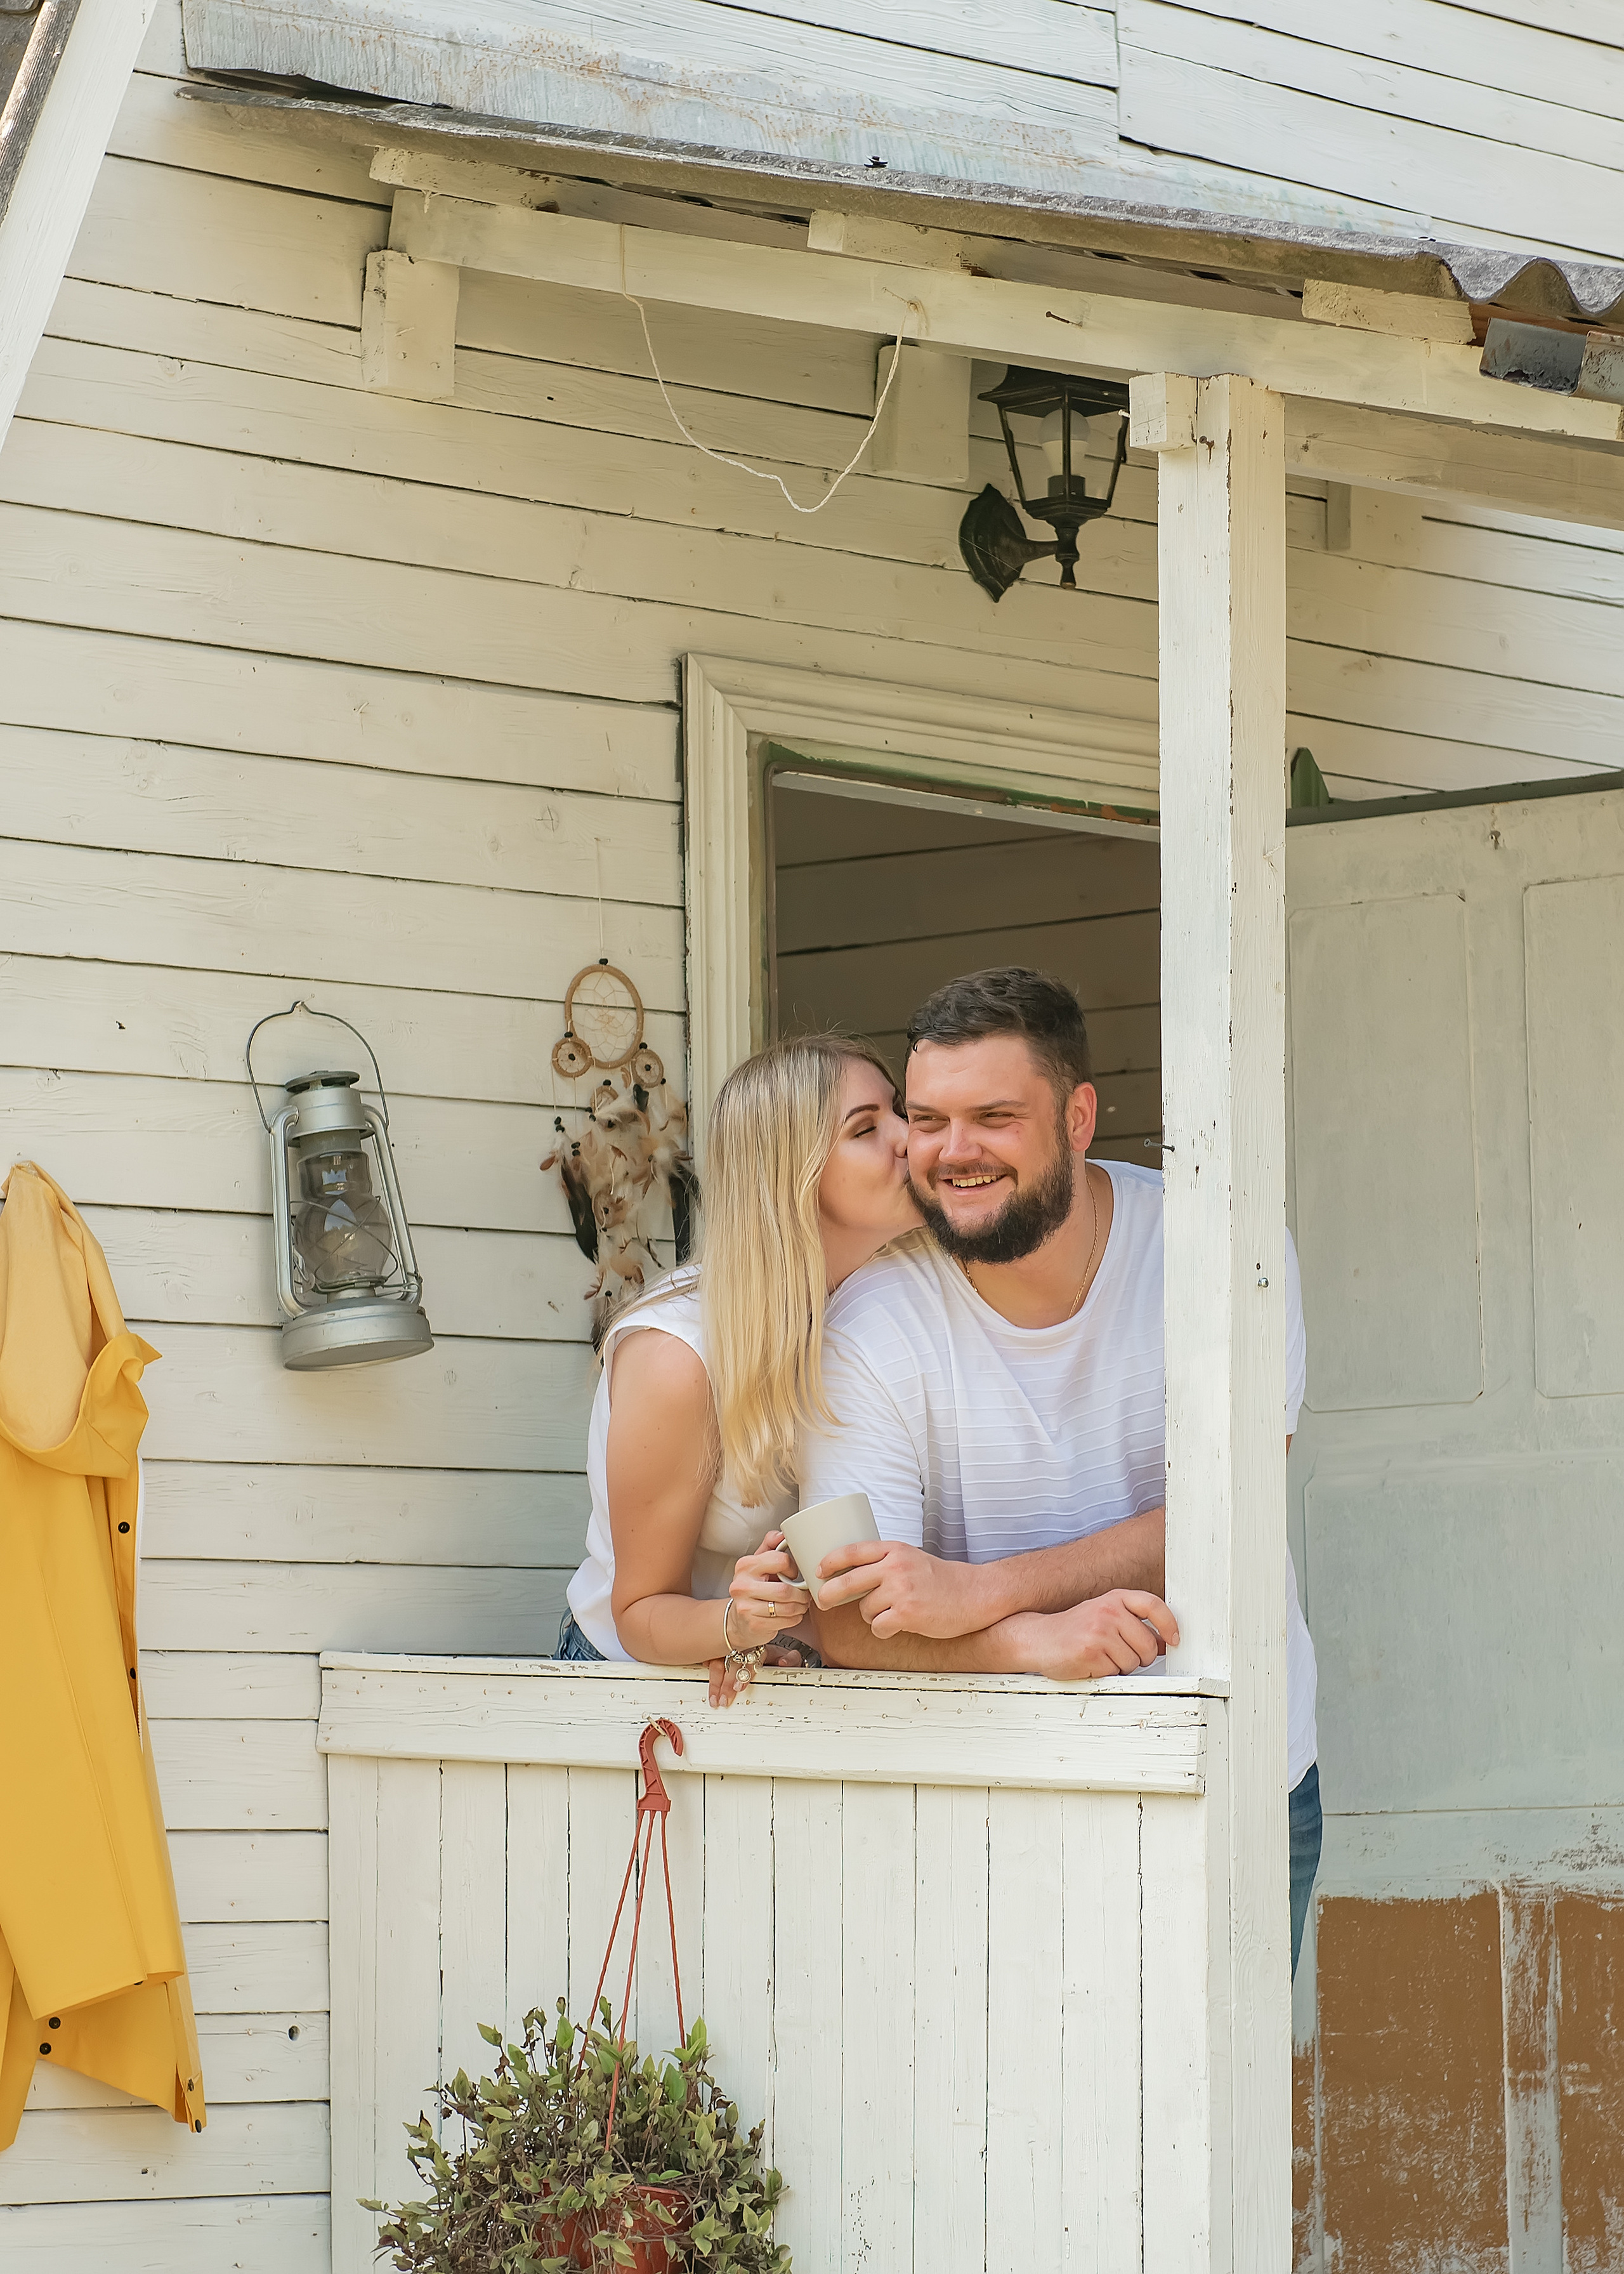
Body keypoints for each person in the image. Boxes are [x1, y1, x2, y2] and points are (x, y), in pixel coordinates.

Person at [796, 966, 1320, 1975]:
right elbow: (840, 1614)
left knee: (1224, 2131)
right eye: (929, 1119)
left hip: (1246, 1774)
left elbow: (1232, 1518)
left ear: (1078, 1117)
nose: (954, 1153)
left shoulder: (1221, 1252)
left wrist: (985, 1591)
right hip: (993, 1799)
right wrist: (1026, 1642)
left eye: (995, 1116)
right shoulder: (863, 1324)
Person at [558, 1030, 1177, 1707]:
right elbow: (639, 1610)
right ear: (791, 1171)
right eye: (865, 1128)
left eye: (899, 1112)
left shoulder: (899, 1301)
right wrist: (738, 1624)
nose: (911, 1139)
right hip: (629, 1691)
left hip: (794, 1678)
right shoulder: (680, 1354)